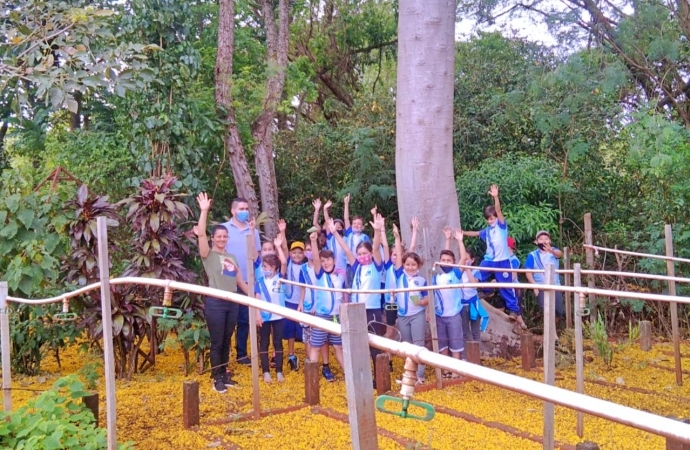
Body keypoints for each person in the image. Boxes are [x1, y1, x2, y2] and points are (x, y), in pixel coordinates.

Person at [196, 192, 249, 394]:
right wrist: (204, 211)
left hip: (232, 302)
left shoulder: (231, 256)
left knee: (227, 340)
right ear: (213, 238)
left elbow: (238, 280)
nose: (222, 239)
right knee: (217, 342)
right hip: (216, 304)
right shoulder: (208, 255)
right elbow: (200, 234)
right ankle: (216, 377)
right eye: (218, 236)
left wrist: (252, 296)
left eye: (224, 237)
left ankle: (224, 374)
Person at [327, 214, 385, 387]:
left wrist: (377, 230)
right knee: (358, 345)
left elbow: (375, 248)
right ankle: (362, 377)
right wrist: (334, 233)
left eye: (364, 253)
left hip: (372, 309)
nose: (362, 256)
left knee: (375, 345)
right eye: (359, 253)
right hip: (356, 309)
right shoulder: (357, 265)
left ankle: (379, 377)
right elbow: (346, 249)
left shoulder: (376, 265)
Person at [463, 184, 526, 330]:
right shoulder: (487, 231)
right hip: (490, 260)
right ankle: (486, 290)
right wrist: (463, 233)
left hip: (503, 261)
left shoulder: (501, 226)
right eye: (489, 219)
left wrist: (496, 197)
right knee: (479, 274)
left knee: (507, 287)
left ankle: (514, 311)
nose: (491, 220)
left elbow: (498, 210)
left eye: (493, 218)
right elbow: (476, 233)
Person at [221, 198, 261, 366]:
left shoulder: (254, 231)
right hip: (228, 281)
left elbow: (257, 257)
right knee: (227, 320)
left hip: (247, 281)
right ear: (233, 211)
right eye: (241, 208)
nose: (245, 211)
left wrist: (251, 233)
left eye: (246, 208)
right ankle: (223, 356)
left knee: (244, 320)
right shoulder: (224, 229)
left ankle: (242, 354)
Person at [391, 223, 429, 384]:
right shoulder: (400, 274)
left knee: (418, 343)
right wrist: (397, 237)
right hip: (402, 315)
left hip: (417, 315)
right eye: (408, 264)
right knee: (406, 345)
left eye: (413, 265)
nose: (410, 267)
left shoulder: (422, 280)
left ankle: (420, 375)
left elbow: (428, 298)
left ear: (418, 266)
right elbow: (402, 253)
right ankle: (409, 374)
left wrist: (421, 302)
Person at [307, 231, 346, 382]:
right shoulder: (319, 274)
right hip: (322, 316)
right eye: (323, 261)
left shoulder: (340, 275)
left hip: (337, 316)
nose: (325, 263)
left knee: (338, 347)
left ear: (334, 260)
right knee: (316, 346)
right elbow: (315, 258)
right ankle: (312, 378)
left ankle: (348, 373)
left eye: (328, 260)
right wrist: (314, 242)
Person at [255, 235, 288, 383]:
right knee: (264, 343)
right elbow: (256, 299)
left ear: (274, 268)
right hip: (264, 316)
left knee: (278, 342)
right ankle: (266, 371)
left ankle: (279, 371)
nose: (264, 270)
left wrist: (279, 247)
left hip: (279, 316)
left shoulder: (280, 278)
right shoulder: (260, 281)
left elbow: (285, 262)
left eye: (267, 267)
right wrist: (257, 315)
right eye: (263, 267)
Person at [434, 227, 465, 373]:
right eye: (443, 260)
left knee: (455, 341)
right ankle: (445, 369)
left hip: (453, 315)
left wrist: (459, 241)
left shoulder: (456, 274)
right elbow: (431, 296)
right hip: (439, 315)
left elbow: (463, 259)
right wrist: (447, 239)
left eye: (449, 260)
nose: (446, 262)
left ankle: (455, 369)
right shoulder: (436, 277)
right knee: (442, 343)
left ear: (453, 262)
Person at [298, 238, 332, 373]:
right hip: (306, 304)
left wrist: (316, 305)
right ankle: (311, 364)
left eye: (312, 249)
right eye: (307, 250)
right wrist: (300, 303)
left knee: (321, 337)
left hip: (320, 306)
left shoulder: (323, 268)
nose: (310, 252)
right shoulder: (303, 268)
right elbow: (303, 288)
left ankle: (326, 365)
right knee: (307, 336)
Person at [277, 219, 307, 371]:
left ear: (304, 254)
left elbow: (304, 287)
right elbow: (283, 246)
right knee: (289, 331)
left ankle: (309, 358)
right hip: (288, 301)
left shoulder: (306, 267)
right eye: (294, 252)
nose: (296, 255)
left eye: (299, 252)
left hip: (301, 303)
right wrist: (282, 231)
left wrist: (302, 301)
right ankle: (291, 355)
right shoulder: (288, 263)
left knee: (304, 331)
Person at [456, 229, 489, 350]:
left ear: (473, 260)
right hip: (462, 305)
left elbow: (475, 284)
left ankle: (477, 355)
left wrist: (468, 269)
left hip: (473, 303)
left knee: (475, 332)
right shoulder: (458, 272)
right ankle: (467, 356)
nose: (465, 261)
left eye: (467, 259)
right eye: (464, 259)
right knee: (465, 332)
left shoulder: (476, 270)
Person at [524, 230, 565, 321]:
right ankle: (547, 332)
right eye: (541, 239)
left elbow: (560, 254)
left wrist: (551, 251)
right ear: (536, 242)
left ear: (549, 241)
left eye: (546, 239)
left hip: (555, 286)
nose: (544, 241)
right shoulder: (532, 255)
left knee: (559, 311)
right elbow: (528, 272)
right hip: (541, 287)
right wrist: (534, 285)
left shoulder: (554, 251)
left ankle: (551, 331)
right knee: (546, 309)